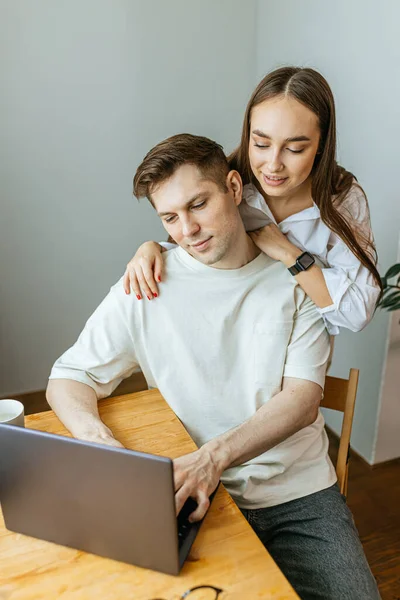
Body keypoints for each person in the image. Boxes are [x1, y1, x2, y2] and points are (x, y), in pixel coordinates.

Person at [47, 134, 380, 600]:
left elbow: (303, 402)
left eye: (198, 204)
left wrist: (212, 459)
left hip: (296, 495)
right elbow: (69, 375)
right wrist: (101, 443)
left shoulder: (298, 280)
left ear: (233, 187)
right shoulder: (147, 281)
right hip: (190, 493)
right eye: (169, 217)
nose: (187, 230)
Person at [123, 67, 381, 337]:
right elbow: (190, 250)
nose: (273, 165)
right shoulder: (228, 185)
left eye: (294, 149)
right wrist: (151, 249)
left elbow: (357, 311)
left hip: (299, 352)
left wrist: (289, 254)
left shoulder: (342, 200)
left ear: (321, 145)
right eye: (260, 144)